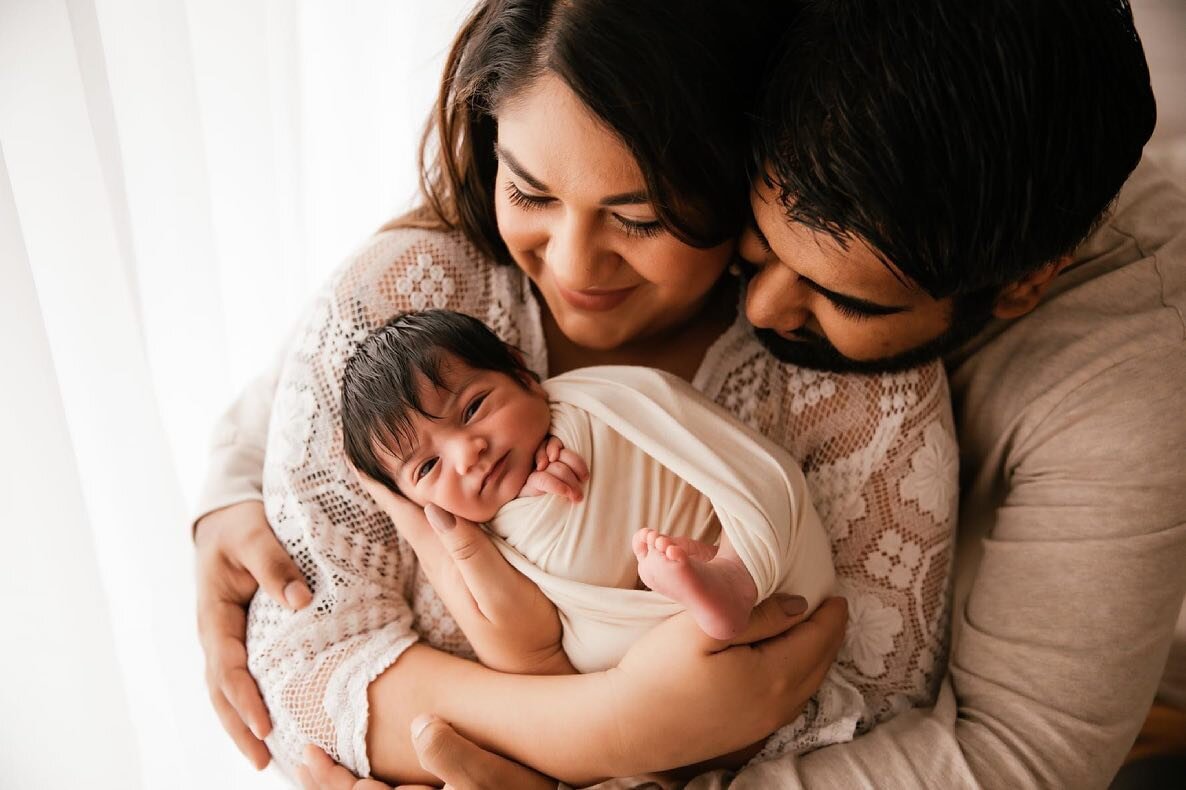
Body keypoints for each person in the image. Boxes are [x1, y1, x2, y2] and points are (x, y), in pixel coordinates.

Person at [289, 0, 1186, 787]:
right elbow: (361, 363)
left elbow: (1024, 758)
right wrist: (228, 481)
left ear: (1024, 282)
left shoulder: (1126, 390)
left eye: (840, 297)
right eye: (755, 245)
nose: (759, 307)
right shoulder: (815, 68)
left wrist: (607, 762)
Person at [193, 0, 955, 786]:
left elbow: (864, 710)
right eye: (530, 195)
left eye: (642, 219)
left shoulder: (848, 378)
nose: (576, 266)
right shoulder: (408, 293)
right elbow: (301, 670)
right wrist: (610, 729)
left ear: (744, 175)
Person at [340, 309, 836, 654]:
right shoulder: (482, 546)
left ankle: (732, 571)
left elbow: (679, 425)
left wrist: (561, 446)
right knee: (593, 647)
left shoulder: (592, 404)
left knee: (762, 489)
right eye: (428, 468)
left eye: (473, 408)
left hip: (760, 551)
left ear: (523, 373)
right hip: (653, 655)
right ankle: (703, 577)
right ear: (414, 499)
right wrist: (526, 500)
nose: (467, 453)